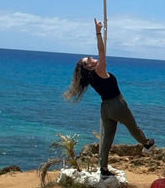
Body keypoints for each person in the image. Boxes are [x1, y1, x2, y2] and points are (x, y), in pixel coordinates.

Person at [64, 19, 155, 177]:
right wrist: (98, 32)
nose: (92, 58)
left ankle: (103, 168)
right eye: (88, 60)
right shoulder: (99, 70)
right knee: (133, 127)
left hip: (105, 108)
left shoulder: (91, 77)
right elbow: (101, 51)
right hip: (117, 105)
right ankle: (147, 144)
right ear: (89, 67)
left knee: (107, 139)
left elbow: (99, 54)